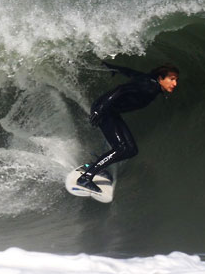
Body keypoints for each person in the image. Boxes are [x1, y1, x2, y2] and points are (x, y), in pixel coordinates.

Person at [76, 61, 179, 193]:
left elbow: (131, 73)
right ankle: (86, 177)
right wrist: (99, 110)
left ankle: (94, 166)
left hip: (111, 112)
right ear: (160, 78)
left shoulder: (148, 80)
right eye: (172, 79)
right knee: (121, 148)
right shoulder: (149, 87)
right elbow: (120, 89)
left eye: (176, 80)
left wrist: (114, 67)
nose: (175, 84)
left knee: (131, 150)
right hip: (105, 110)